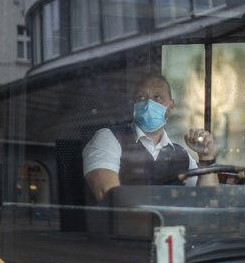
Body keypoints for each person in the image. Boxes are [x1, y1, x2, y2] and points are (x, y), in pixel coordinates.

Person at [83, 74, 218, 202]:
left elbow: (207, 199)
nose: (148, 103)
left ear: (170, 107)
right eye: (141, 97)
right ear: (133, 105)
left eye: (157, 97)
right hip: (127, 225)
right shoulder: (109, 138)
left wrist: (206, 157)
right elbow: (107, 194)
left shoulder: (181, 155)